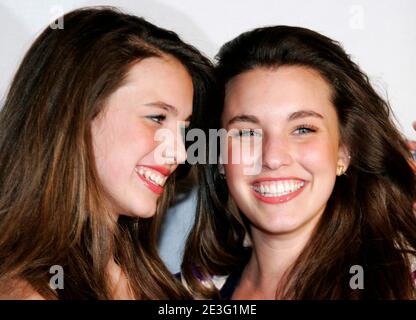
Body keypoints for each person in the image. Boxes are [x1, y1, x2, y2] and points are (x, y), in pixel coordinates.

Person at [181, 26, 416, 299]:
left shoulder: (403, 284)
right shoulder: (185, 293)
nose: (272, 157)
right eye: (246, 132)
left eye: (303, 129)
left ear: (344, 150)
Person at [0, 7, 214, 299]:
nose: (179, 154)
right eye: (157, 118)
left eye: (183, 130)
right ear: (77, 113)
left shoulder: (155, 281)